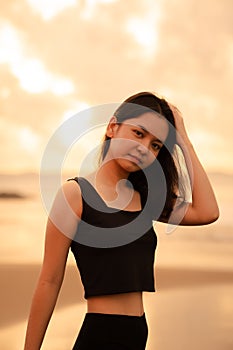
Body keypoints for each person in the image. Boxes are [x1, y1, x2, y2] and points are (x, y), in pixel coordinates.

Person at [24, 92, 219, 350]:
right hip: (101, 335)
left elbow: (208, 212)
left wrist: (183, 139)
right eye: (139, 133)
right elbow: (49, 281)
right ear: (113, 127)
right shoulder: (76, 195)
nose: (144, 148)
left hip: (138, 333)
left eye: (155, 145)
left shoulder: (146, 199)